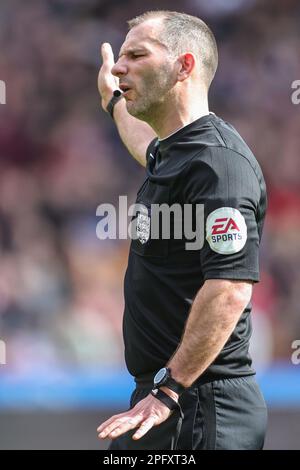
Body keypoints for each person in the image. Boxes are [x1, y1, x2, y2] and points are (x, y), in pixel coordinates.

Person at [96, 10, 268, 450]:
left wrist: (169, 391)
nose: (119, 65)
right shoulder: (175, 153)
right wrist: (116, 102)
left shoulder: (220, 164)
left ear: (183, 66)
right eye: (120, 57)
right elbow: (144, 146)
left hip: (200, 407)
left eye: (136, 54)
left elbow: (230, 289)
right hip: (163, 401)